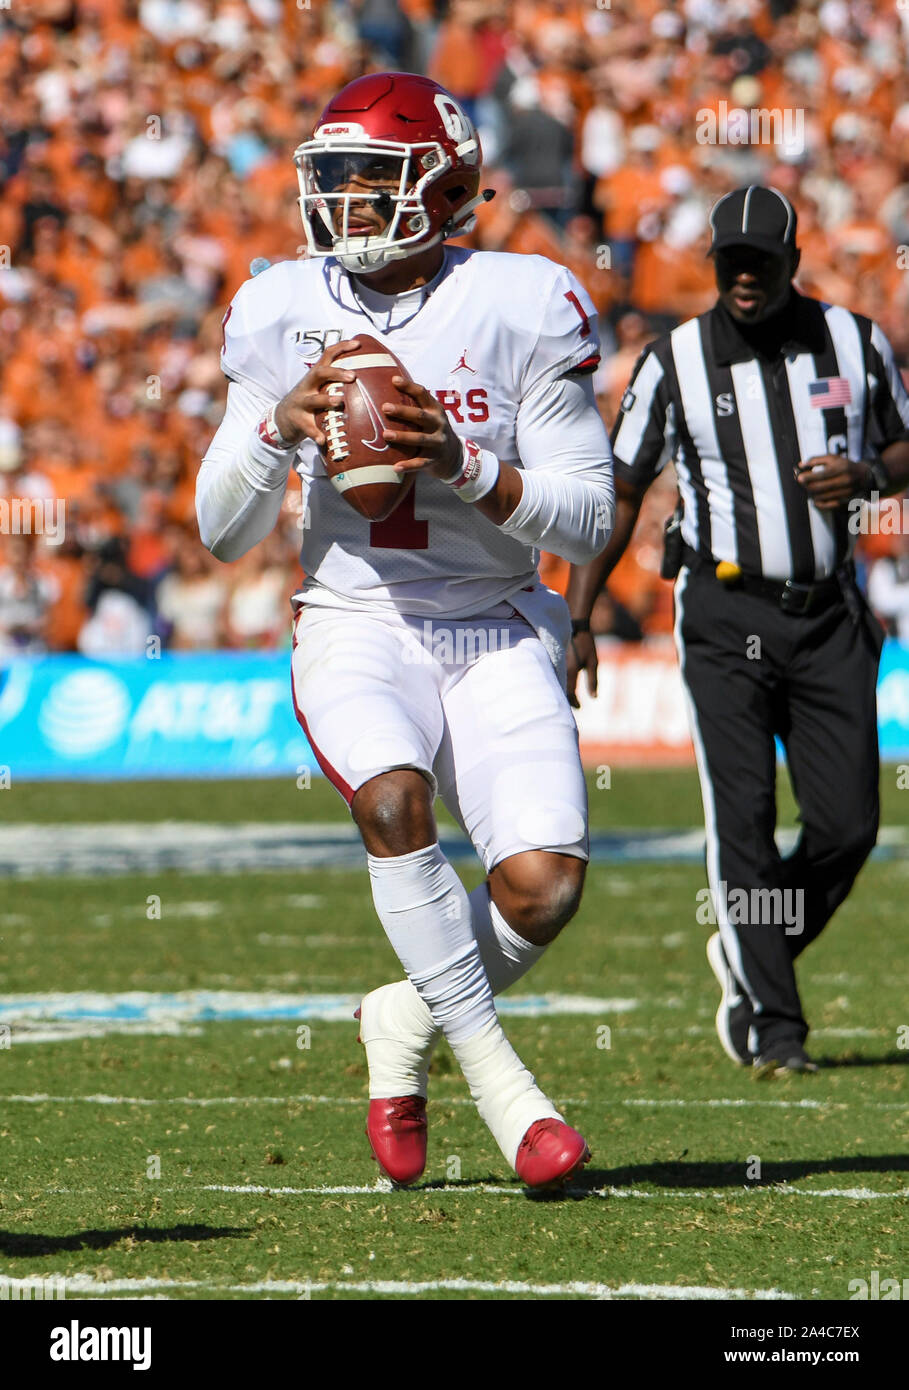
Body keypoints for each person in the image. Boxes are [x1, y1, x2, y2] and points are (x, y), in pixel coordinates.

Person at [197, 73, 615, 1185]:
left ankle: (405, 1017)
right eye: (331, 180)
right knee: (392, 800)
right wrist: (277, 431)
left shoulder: (525, 298)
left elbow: (586, 509)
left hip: (496, 617)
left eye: (374, 182)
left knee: (543, 886)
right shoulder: (280, 305)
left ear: (450, 184)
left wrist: (460, 463)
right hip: (358, 617)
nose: (347, 206)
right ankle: (507, 1092)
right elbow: (219, 529)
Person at [566, 186, 909, 1076]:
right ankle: (774, 1027)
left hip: (829, 612)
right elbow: (624, 486)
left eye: (762, 262)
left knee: (847, 827)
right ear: (712, 265)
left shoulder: (852, 340)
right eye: (731, 263)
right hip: (724, 614)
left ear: (794, 261)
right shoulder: (673, 361)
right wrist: (577, 614)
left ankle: (750, 954)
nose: (746, 278)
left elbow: (905, 446)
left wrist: (869, 472)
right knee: (744, 820)